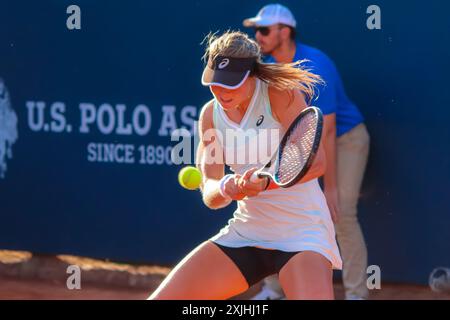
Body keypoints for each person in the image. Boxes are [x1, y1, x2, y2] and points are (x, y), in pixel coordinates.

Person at [148, 31, 342, 300]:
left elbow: (317, 162)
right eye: (216, 83)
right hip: (247, 232)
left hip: (303, 232)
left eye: (231, 84)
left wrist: (266, 182)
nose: (221, 91)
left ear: (252, 75)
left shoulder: (279, 94)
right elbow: (210, 193)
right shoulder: (210, 115)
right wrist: (229, 187)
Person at [243, 4, 370, 300]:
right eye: (256, 30)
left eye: (264, 30)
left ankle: (357, 295)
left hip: (344, 140)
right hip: (302, 142)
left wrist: (331, 187)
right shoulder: (269, 66)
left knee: (341, 214)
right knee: (285, 210)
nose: (257, 36)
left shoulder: (314, 63)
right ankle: (274, 289)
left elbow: (327, 128)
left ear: (284, 33)